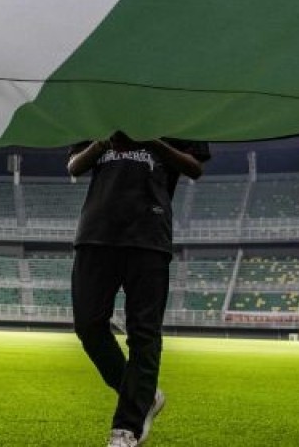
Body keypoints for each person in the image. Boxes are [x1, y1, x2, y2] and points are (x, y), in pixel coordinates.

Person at [67, 131, 208, 447]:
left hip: (149, 234)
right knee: (88, 325)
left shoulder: (180, 114)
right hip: (95, 231)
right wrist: (103, 142)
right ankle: (146, 396)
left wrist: (150, 142)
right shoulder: (99, 113)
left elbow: (195, 167)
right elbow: (74, 166)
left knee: (144, 333)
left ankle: (126, 428)